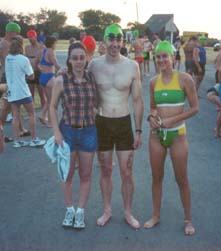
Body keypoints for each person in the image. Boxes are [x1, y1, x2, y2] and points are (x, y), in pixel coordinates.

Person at [88, 24, 144, 229]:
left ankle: (128, 212)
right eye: (111, 38)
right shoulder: (94, 65)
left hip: (123, 123)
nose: (114, 43)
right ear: (104, 41)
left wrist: (138, 130)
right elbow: (81, 85)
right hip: (102, 123)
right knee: (105, 170)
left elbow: (137, 100)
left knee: (126, 171)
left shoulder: (132, 66)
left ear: (122, 41)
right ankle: (107, 210)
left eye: (118, 38)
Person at [144, 40, 198, 235]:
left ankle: (188, 219)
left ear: (173, 57)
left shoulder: (184, 79)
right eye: (158, 56)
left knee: (181, 179)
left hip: (177, 135)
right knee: (157, 177)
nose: (161, 60)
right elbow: (152, 107)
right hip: (157, 135)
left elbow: (195, 108)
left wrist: (173, 120)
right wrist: (151, 117)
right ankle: (156, 215)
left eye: (164, 56)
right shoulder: (152, 82)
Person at [50, 42, 98, 229]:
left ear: (86, 59)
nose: (78, 61)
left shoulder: (91, 78)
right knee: (67, 175)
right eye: (75, 58)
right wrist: (56, 132)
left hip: (88, 132)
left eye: (81, 57)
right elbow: (53, 107)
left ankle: (80, 212)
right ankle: (69, 209)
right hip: (68, 132)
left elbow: (97, 102)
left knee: (86, 175)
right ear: (69, 60)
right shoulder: (62, 80)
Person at [5, 35, 46, 148]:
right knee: (31, 114)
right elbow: (31, 76)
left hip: (12, 91)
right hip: (22, 90)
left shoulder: (8, 58)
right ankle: (33, 139)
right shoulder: (23, 59)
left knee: (16, 116)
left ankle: (17, 141)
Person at [0, 22, 30, 142]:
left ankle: (21, 129)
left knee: (15, 103)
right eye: (16, 32)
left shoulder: (2, 43)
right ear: (10, 32)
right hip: (8, 78)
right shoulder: (6, 45)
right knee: (7, 106)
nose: (17, 35)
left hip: (6, 77)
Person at [36, 36, 61, 127]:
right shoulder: (51, 52)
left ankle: (48, 120)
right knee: (52, 102)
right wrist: (66, 71)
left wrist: (41, 69)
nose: (56, 45)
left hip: (42, 77)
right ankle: (43, 116)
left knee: (49, 100)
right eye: (55, 43)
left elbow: (35, 63)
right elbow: (57, 65)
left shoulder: (41, 51)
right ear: (52, 43)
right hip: (50, 77)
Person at [25, 29, 46, 108]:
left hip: (39, 72)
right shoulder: (27, 47)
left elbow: (45, 60)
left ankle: (44, 114)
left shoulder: (41, 47)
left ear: (35, 37)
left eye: (31, 37)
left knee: (42, 94)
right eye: (28, 37)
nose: (30, 39)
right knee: (30, 95)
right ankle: (32, 113)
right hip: (30, 72)